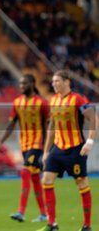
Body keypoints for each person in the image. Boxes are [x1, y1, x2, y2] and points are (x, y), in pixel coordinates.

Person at [37, 70, 98, 231]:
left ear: (66, 82)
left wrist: (90, 141)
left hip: (76, 148)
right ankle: (52, 223)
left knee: (81, 183)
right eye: (53, 82)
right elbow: (51, 126)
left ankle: (87, 225)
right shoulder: (53, 99)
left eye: (57, 81)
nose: (53, 84)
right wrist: (46, 151)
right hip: (57, 148)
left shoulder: (78, 99)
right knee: (46, 180)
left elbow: (93, 118)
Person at [0, 74, 48, 223]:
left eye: (24, 84)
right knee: (35, 177)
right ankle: (44, 214)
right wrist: (0, 143)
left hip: (37, 144)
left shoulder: (41, 103)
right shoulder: (17, 102)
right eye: (20, 84)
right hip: (24, 144)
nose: (22, 86)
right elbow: (11, 124)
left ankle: (21, 212)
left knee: (25, 171)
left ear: (32, 83)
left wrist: (47, 147)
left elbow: (49, 124)